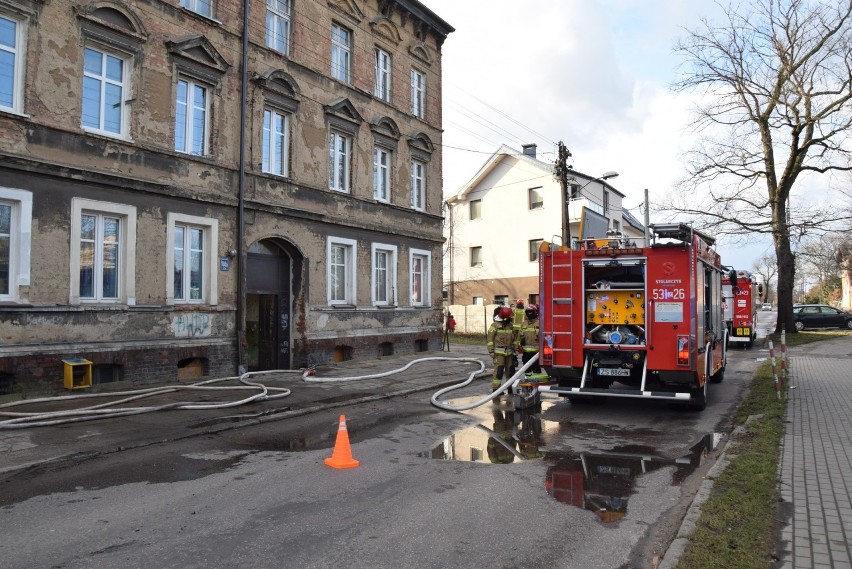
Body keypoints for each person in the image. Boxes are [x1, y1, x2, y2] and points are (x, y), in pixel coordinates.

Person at [487, 305, 519, 391]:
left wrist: (516, 349)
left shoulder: (510, 325)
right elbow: (490, 339)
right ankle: (496, 389)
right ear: (505, 318)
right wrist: (491, 351)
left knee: (510, 372)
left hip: (509, 353)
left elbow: (515, 339)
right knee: (499, 371)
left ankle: (510, 388)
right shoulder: (494, 325)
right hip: (498, 354)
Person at [518, 303, 543, 376]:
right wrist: (518, 346)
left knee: (536, 369)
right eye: (528, 312)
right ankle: (528, 383)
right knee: (527, 369)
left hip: (536, 353)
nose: (529, 314)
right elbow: (519, 336)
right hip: (525, 352)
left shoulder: (540, 322)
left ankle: (537, 385)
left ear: (535, 312)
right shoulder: (524, 323)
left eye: (531, 312)